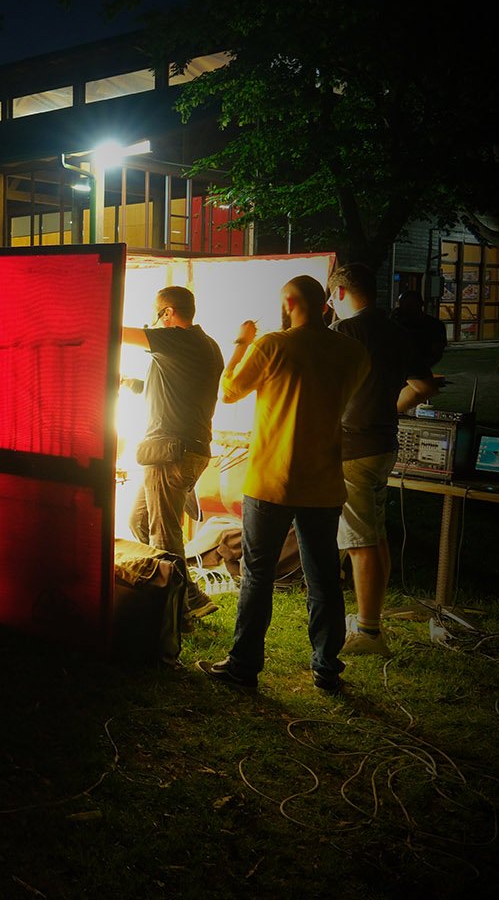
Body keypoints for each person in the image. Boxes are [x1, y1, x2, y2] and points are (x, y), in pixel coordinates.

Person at [199, 276, 369, 692]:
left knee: (257, 575)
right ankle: (326, 667)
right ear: (325, 306)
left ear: (289, 302)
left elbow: (229, 390)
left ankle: (243, 666)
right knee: (324, 577)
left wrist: (242, 342)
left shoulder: (273, 344)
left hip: (272, 481)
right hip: (325, 482)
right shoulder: (353, 352)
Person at [327, 264, 438, 657]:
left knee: (359, 541)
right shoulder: (398, 332)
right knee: (374, 535)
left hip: (353, 446)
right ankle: (368, 620)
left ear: (339, 294)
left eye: (330, 298)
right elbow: (423, 386)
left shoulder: (343, 332)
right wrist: (388, 407)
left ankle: (370, 633)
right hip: (383, 444)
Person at [120, 285, 225, 627]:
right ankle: (189, 594)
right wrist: (133, 384)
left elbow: (116, 332)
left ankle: (179, 614)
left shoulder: (179, 339)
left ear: (167, 313)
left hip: (171, 451)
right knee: (140, 521)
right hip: (183, 449)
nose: (154, 323)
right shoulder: (204, 345)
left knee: (164, 536)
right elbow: (178, 389)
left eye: (157, 315)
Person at [391, 289, 447, 378]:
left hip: (418, 370)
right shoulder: (396, 323)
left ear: (420, 304)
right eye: (403, 305)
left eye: (410, 305)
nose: (406, 308)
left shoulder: (434, 325)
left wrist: (421, 368)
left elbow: (437, 351)